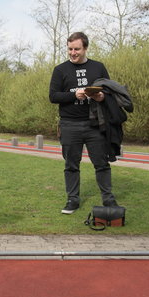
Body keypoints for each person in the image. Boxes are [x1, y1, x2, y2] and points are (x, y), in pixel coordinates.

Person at [49, 32, 121, 214]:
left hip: (95, 124)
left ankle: (108, 199)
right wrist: (74, 94)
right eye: (70, 49)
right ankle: (72, 200)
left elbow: (110, 92)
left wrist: (101, 96)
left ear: (86, 48)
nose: (73, 53)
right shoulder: (60, 70)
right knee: (71, 165)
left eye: (77, 49)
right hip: (69, 124)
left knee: (102, 163)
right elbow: (53, 96)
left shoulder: (98, 67)